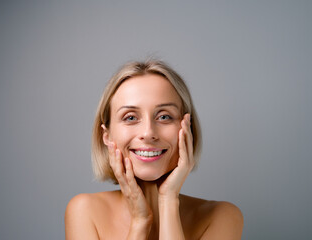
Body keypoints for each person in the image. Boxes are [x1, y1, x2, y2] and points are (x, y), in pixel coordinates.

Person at [65, 60, 244, 239]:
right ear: (106, 136)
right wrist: (140, 222)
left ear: (188, 130)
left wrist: (168, 200)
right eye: (130, 117)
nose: (148, 133)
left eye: (164, 116)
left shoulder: (222, 216)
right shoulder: (84, 211)